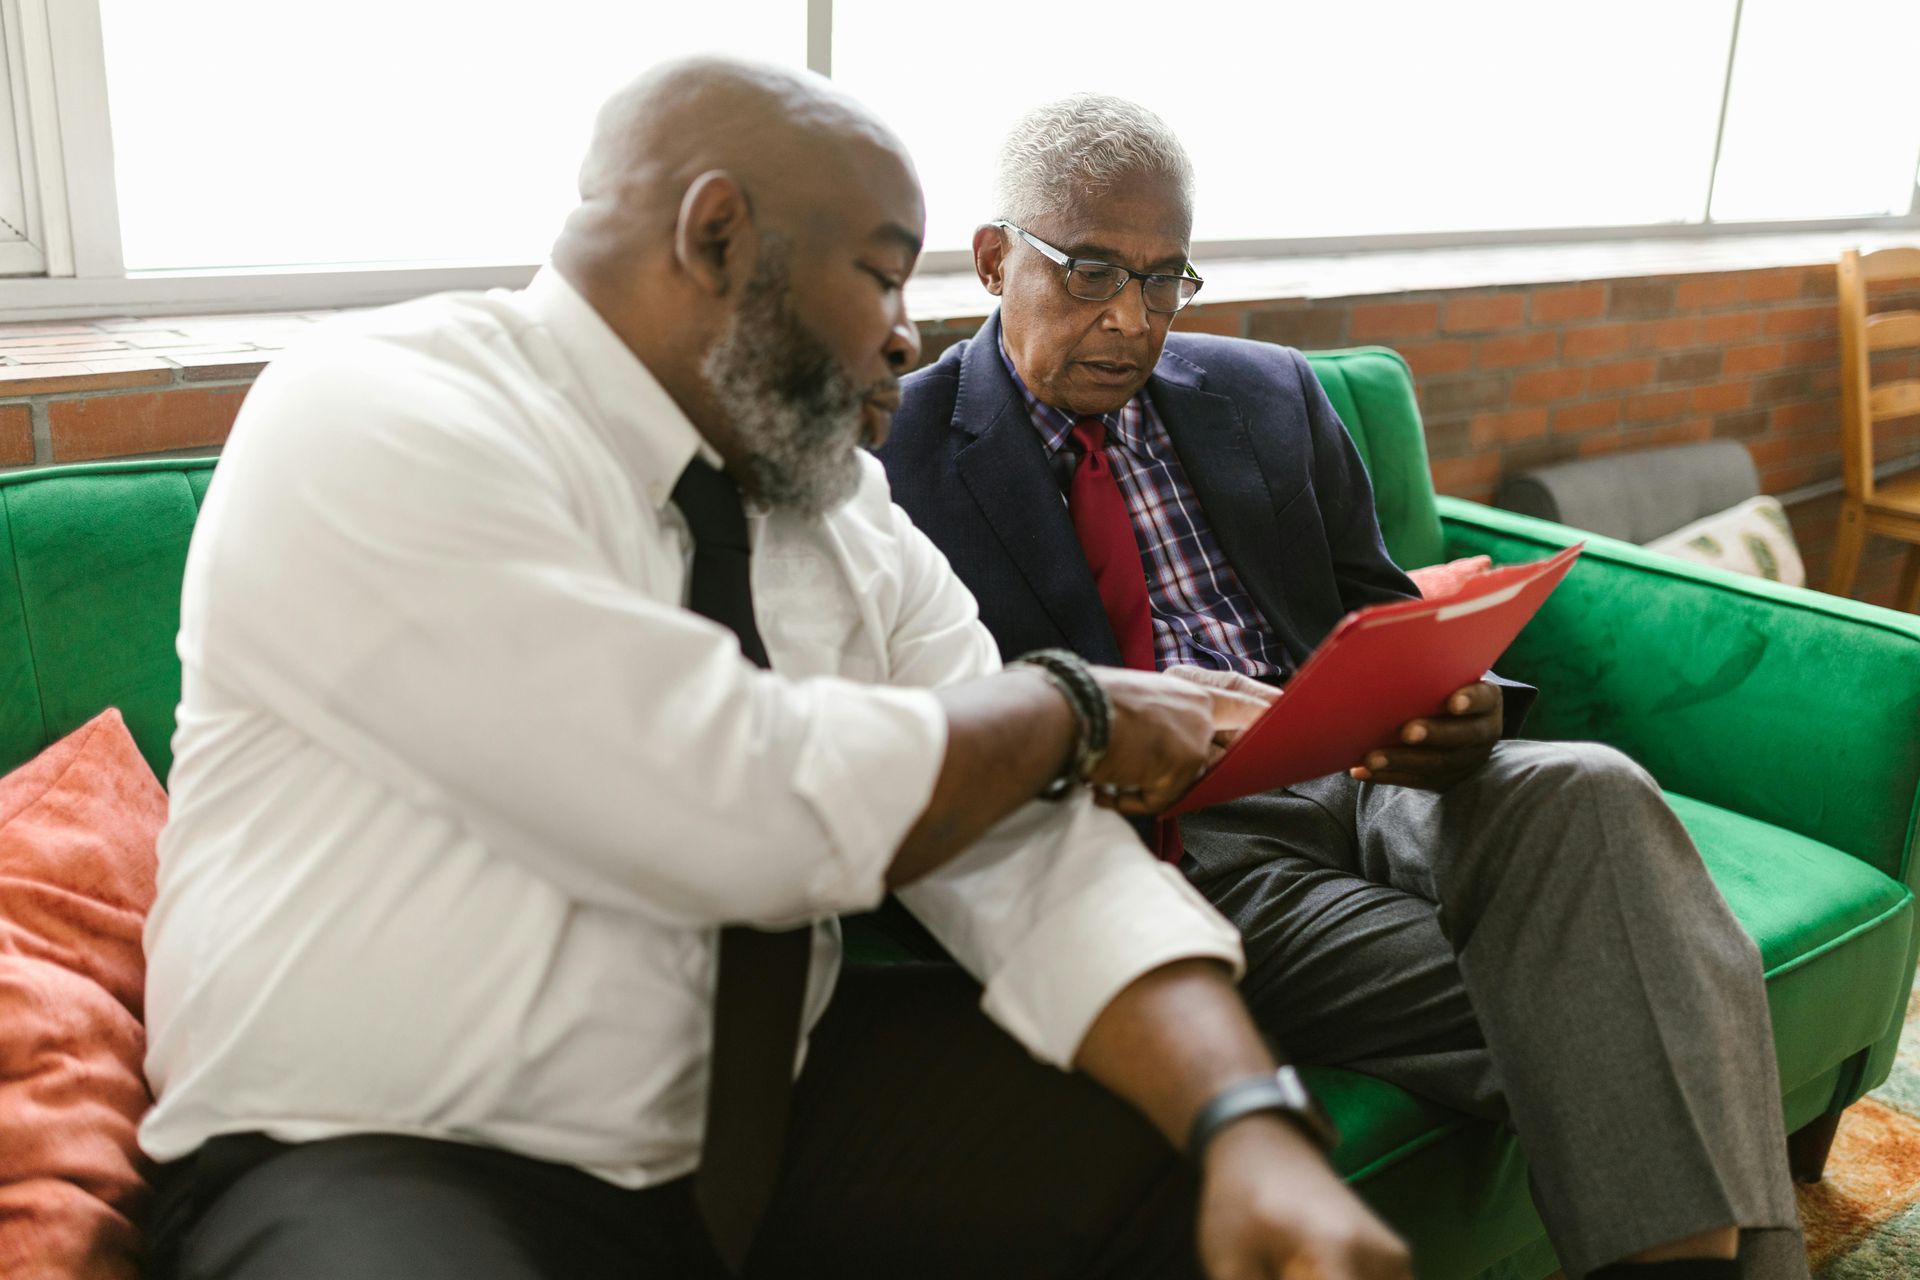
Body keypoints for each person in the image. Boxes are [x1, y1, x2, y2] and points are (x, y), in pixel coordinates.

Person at [137, 60, 1417, 1280]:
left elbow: (1027, 842)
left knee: (1173, 1179)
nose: (911, 341)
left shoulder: (842, 512)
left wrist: (1245, 1116)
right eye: (882, 278)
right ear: (718, 237)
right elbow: (707, 790)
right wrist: (1072, 705)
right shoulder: (378, 410)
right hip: (382, 1152)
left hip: (754, 1133)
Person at [877, 94, 1807, 1280]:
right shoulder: (889, 456)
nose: (1132, 321)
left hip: (1369, 775)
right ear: (998, 258)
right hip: (1184, 847)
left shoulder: (1268, 394)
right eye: (1093, 272)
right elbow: (931, 728)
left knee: (1588, 784)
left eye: (1167, 282)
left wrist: (1460, 706)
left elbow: (1382, 616)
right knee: (1650, 980)